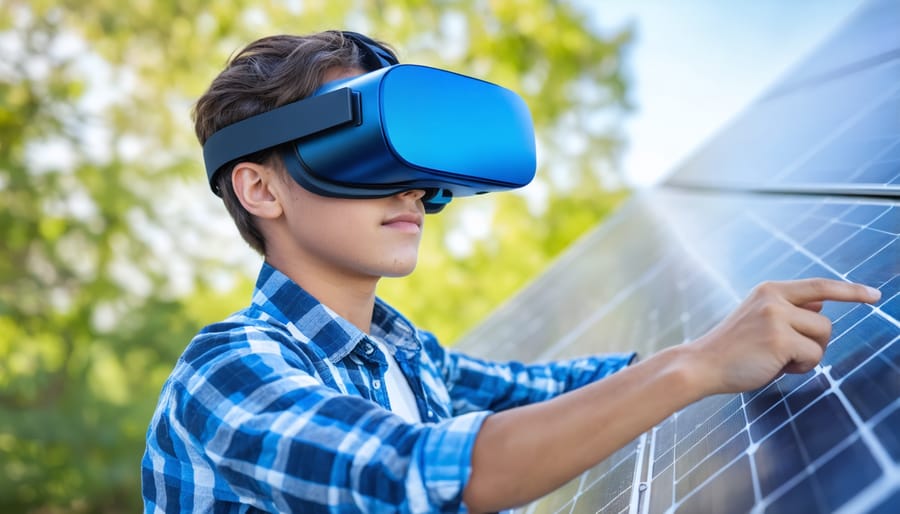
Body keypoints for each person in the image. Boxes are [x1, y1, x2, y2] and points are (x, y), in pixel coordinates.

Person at [141, 30, 881, 513]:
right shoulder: (226, 369)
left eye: (416, 164)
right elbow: (425, 474)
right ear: (260, 189)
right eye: (365, 152)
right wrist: (695, 366)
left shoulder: (407, 356)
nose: (410, 191)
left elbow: (553, 390)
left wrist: (732, 348)